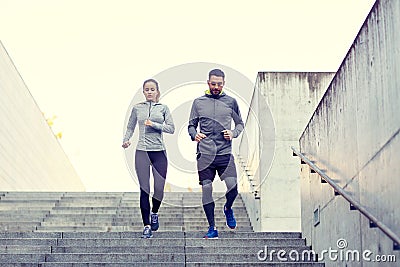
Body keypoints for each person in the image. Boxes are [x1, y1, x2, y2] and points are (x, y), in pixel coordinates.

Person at [188, 68, 244, 239]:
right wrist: (194, 134)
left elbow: (240, 124)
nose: (216, 87)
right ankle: (212, 227)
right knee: (206, 188)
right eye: (213, 84)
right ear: (208, 83)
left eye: (219, 84)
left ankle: (228, 208)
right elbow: (191, 125)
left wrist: (233, 133)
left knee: (233, 187)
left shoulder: (231, 102)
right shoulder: (198, 103)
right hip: (205, 154)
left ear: (224, 84)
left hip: (224, 152)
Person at [122, 78, 175, 238]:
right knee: (144, 190)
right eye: (147, 89)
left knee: (159, 188)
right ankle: (146, 225)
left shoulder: (164, 108)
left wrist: (155, 125)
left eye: (152, 89)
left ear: (157, 92)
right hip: (142, 152)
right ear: (143, 92)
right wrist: (126, 139)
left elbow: (171, 128)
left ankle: (155, 212)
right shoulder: (137, 108)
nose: (150, 92)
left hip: (159, 152)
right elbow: (130, 126)